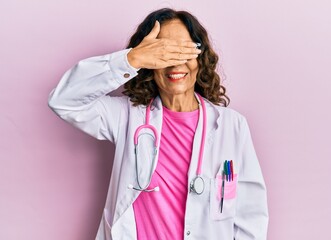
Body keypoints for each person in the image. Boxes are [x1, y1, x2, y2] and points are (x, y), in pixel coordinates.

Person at [48, 8, 268, 240]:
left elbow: (250, 215)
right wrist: (130, 60)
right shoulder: (125, 116)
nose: (175, 63)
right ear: (149, 63)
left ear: (200, 59)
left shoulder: (232, 126)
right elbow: (63, 101)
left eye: (184, 51)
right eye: (163, 53)